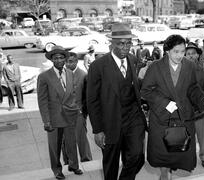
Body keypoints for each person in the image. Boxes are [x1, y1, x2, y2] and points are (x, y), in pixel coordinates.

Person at [141, 34, 204, 180]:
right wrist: (164, 103)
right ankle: (164, 176)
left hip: (182, 117)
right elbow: (145, 90)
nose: (180, 55)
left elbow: (193, 88)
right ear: (167, 51)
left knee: (179, 154)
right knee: (163, 156)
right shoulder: (155, 67)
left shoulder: (189, 66)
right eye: (176, 52)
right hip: (162, 118)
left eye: (182, 51)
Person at [87, 23, 147, 180]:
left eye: (128, 43)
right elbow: (92, 101)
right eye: (121, 43)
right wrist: (97, 130)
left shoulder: (134, 60)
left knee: (137, 156)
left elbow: (136, 87)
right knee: (111, 165)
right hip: (110, 123)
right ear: (111, 43)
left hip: (133, 119)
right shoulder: (97, 66)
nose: (125, 47)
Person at [37, 46, 83, 179]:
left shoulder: (69, 73)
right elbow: (42, 101)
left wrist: (76, 108)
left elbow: (72, 93)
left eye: (61, 57)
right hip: (54, 118)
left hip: (70, 115)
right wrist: (46, 121)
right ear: (52, 60)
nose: (59, 60)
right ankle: (57, 170)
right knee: (55, 146)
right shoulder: (44, 76)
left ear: (65, 59)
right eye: (56, 58)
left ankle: (74, 165)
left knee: (71, 143)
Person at [185, 42, 204, 168]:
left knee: (202, 137)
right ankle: (187, 159)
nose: (190, 56)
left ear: (198, 55)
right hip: (185, 112)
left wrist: (202, 110)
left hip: (200, 112)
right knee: (185, 138)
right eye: (188, 54)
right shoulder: (179, 72)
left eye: (193, 53)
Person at [62, 52, 92, 163]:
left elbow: (88, 96)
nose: (67, 64)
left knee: (81, 137)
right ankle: (68, 161)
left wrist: (83, 111)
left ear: (76, 62)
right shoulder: (62, 75)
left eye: (70, 62)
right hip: (64, 113)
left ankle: (86, 159)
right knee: (65, 139)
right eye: (66, 62)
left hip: (78, 112)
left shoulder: (83, 75)